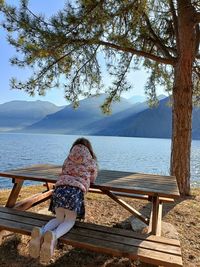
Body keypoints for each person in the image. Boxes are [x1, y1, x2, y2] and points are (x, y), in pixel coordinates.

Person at [29, 137, 98, 263]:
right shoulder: (91, 161)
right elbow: (93, 178)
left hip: (59, 189)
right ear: (89, 149)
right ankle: (54, 236)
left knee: (59, 218)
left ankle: (42, 231)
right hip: (74, 192)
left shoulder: (68, 158)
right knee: (69, 221)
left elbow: (63, 171)